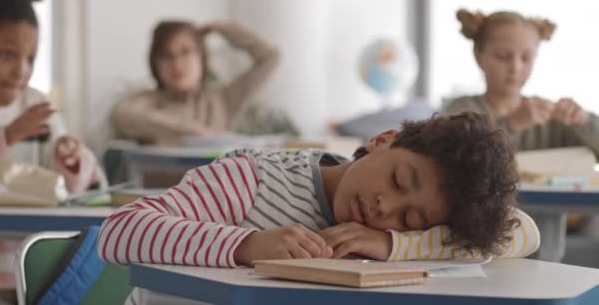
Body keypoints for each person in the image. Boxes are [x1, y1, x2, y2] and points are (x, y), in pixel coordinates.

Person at [99, 112, 539, 269]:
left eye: (409, 219)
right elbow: (119, 231)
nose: (387, 207)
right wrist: (246, 245)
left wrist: (391, 245)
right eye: (398, 180)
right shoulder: (253, 178)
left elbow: (523, 231)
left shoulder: (389, 237)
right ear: (383, 139)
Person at [0, 0, 100, 301]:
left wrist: (70, 160)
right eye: (7, 55)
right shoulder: (23, 119)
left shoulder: (38, 106)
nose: (21, 71)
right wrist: (7, 137)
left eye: (31, 59)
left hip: (32, 273)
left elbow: (72, 191)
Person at [443, 9, 599, 156]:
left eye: (526, 58)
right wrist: (511, 124)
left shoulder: (549, 119)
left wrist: (583, 121)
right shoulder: (460, 111)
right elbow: (451, 158)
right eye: (503, 56)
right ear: (478, 56)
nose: (515, 68)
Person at [111, 19, 287, 146]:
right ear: (154, 63)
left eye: (186, 52)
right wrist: (192, 131)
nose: (177, 64)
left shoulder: (223, 100)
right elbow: (124, 117)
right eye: (166, 56)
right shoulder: (147, 101)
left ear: (201, 57)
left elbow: (270, 57)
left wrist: (224, 28)